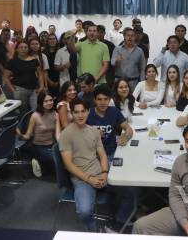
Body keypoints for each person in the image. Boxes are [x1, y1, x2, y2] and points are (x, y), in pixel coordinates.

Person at [58, 99, 110, 232]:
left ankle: (118, 221)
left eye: (83, 111)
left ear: (88, 112)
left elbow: (103, 155)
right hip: (82, 178)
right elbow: (68, 165)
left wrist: (105, 173)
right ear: (72, 113)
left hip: (100, 173)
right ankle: (94, 231)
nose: (80, 115)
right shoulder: (66, 135)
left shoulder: (94, 131)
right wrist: (89, 179)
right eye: (76, 112)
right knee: (85, 212)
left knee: (127, 189)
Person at [86, 84, 133, 160]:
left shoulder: (114, 111)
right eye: (99, 99)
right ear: (94, 100)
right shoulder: (88, 113)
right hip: (93, 155)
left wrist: (125, 138)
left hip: (111, 152)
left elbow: (128, 128)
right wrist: (92, 134)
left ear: (110, 100)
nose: (103, 102)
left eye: (106, 99)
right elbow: (78, 133)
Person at [17, 91, 56, 178]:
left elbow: (57, 134)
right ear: (41, 102)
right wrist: (20, 135)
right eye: (46, 101)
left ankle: (42, 165)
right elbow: (27, 136)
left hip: (52, 145)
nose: (49, 103)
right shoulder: (35, 116)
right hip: (39, 146)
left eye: (51, 100)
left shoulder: (55, 114)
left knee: (59, 161)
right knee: (54, 160)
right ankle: (38, 160)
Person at [3, 41, 44, 111]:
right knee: (23, 111)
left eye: (25, 47)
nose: (23, 49)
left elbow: (40, 74)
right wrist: (13, 90)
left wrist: (41, 86)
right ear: (17, 49)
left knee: (35, 110)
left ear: (28, 49)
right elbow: (5, 77)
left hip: (34, 90)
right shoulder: (12, 61)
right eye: (21, 47)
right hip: (19, 90)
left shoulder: (34, 60)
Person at [111, 27, 146, 91]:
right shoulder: (117, 49)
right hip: (119, 81)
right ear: (124, 36)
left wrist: (142, 83)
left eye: (132, 36)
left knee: (133, 98)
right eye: (128, 35)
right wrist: (116, 61)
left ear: (135, 37)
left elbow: (142, 68)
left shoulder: (139, 51)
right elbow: (112, 63)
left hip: (134, 82)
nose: (130, 37)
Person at [43, 33, 60, 97]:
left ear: (56, 40)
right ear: (47, 41)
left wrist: (58, 81)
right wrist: (49, 81)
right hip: (47, 80)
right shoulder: (43, 53)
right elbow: (43, 70)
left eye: (53, 39)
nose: (52, 40)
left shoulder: (60, 52)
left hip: (59, 80)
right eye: (50, 39)